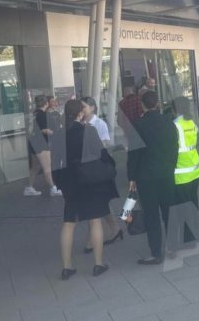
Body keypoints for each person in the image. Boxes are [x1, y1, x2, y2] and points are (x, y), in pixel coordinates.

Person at [52, 99, 113, 280]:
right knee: (95, 220)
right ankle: (98, 264)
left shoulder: (58, 134)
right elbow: (101, 154)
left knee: (69, 223)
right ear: (80, 114)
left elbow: (55, 162)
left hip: (70, 183)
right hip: (90, 180)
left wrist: (59, 182)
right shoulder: (89, 130)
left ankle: (66, 267)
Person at [127, 91, 178, 265]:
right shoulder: (169, 122)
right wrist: (171, 166)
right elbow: (175, 146)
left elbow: (134, 154)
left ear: (142, 105)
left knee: (151, 214)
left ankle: (156, 253)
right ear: (157, 103)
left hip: (146, 176)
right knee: (169, 210)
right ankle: (172, 247)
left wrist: (132, 176)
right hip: (166, 174)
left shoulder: (138, 125)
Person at [80, 97, 123, 252]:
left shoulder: (100, 124)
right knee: (100, 203)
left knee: (96, 204)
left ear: (92, 107)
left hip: (97, 169)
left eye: (84, 106)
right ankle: (115, 229)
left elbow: (104, 146)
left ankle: (91, 240)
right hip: (87, 169)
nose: (81, 109)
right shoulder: (80, 124)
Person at [171, 97, 199, 244]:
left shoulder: (175, 126)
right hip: (194, 169)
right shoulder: (191, 122)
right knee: (193, 202)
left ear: (174, 109)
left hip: (181, 172)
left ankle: (189, 237)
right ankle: (197, 232)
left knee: (184, 205)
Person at [25, 95, 61, 197]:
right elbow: (49, 129)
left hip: (32, 143)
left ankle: (29, 187)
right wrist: (50, 131)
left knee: (35, 167)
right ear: (46, 103)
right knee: (47, 168)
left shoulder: (33, 114)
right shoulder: (44, 115)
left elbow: (32, 129)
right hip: (41, 144)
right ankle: (53, 188)